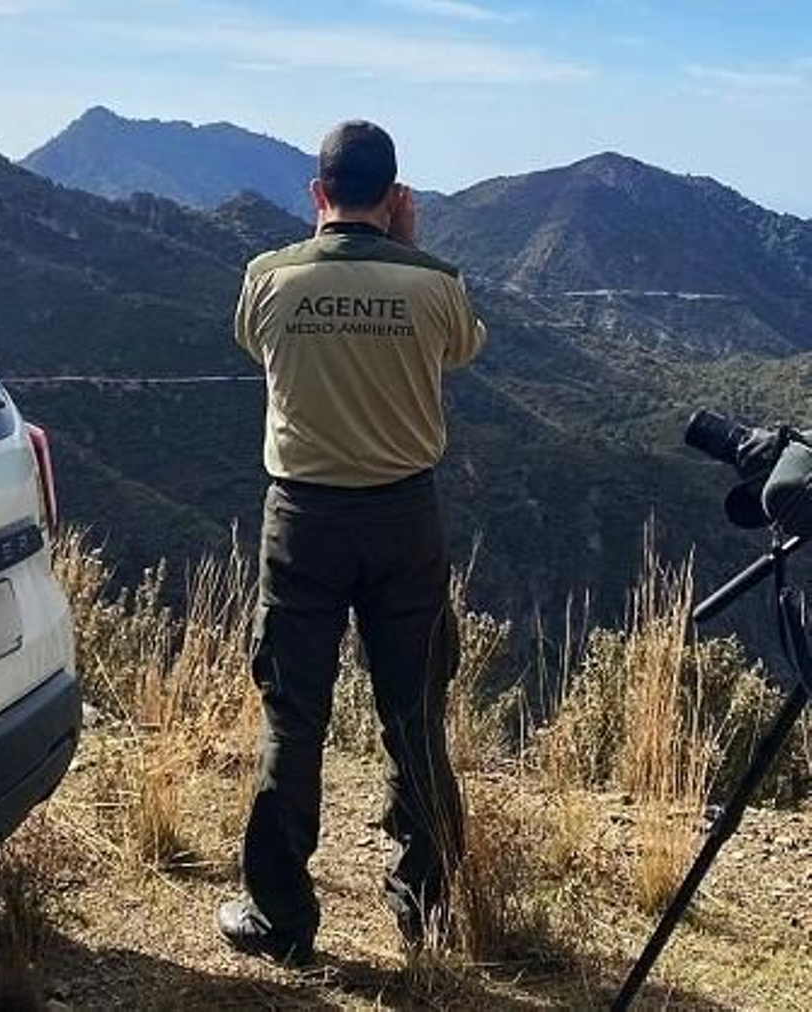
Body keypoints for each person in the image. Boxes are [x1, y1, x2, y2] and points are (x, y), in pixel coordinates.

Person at [217, 120, 488, 963]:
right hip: (406, 519)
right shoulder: (436, 283)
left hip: (303, 519)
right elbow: (462, 349)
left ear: (316, 192)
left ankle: (282, 919)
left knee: (293, 719)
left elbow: (253, 341)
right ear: (398, 194)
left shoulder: (269, 279)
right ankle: (425, 909)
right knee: (415, 714)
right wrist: (403, 249)